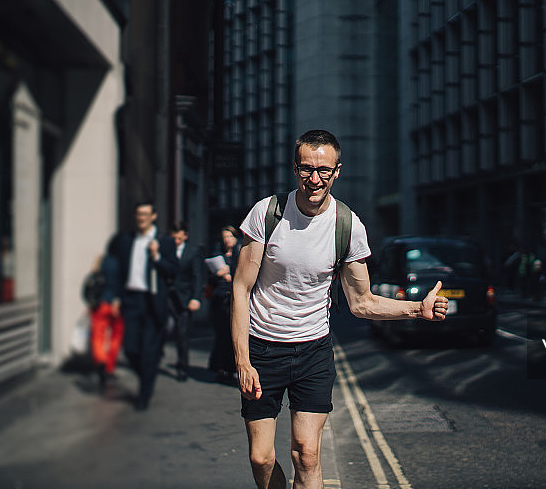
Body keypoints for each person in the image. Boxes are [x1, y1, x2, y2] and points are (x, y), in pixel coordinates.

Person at [231, 130, 449, 489]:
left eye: (323, 170)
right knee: (261, 457)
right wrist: (242, 361)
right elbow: (240, 289)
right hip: (263, 348)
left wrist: (416, 309)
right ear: (295, 168)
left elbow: (361, 302)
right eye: (306, 169)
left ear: (337, 171)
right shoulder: (267, 213)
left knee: (307, 454)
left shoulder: (348, 226)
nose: (314, 179)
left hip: (312, 351)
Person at [108, 200, 179, 411]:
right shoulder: (127, 240)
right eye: (139, 214)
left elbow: (172, 270)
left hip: (152, 301)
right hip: (131, 299)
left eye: (145, 214)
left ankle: (144, 394)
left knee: (148, 350)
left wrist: (157, 257)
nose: (141, 218)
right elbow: (119, 270)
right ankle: (147, 373)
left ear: (153, 216)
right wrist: (115, 297)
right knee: (130, 349)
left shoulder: (164, 242)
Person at [168, 221, 203, 382]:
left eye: (179, 238)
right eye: (174, 237)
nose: (176, 240)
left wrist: (195, 298)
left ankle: (183, 367)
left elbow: (197, 276)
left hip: (184, 298)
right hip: (167, 296)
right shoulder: (166, 250)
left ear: (185, 236)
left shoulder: (193, 251)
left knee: (182, 333)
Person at [208, 225, 241, 382]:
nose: (227, 240)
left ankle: (232, 368)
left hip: (234, 299)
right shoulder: (218, 254)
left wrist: (231, 274)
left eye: (229, 237)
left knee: (232, 335)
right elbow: (210, 278)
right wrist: (218, 274)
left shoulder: (240, 253)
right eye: (224, 237)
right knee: (221, 334)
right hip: (220, 298)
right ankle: (220, 367)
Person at [89, 254, 125, 388]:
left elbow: (93, 280)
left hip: (100, 304)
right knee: (116, 337)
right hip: (117, 305)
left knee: (98, 336)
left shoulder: (100, 261)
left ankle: (101, 361)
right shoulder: (123, 261)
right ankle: (110, 367)